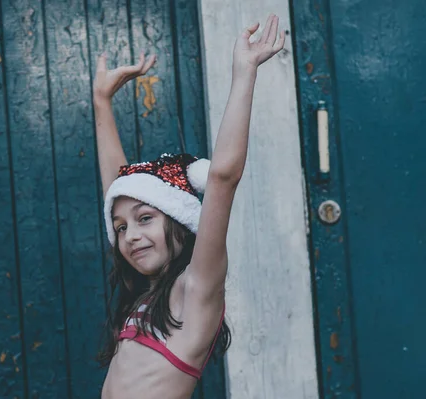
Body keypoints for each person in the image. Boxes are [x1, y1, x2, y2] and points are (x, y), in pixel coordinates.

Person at [93, 14, 286, 399]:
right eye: (120, 227)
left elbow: (222, 177)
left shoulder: (194, 289)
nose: (131, 235)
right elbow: (117, 189)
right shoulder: (146, 298)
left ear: (179, 221)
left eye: (145, 219)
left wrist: (244, 71)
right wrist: (101, 102)